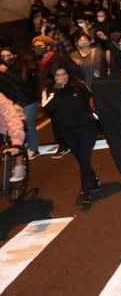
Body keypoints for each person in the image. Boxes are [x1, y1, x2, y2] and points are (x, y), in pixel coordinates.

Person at [41, 67, 101, 205]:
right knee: (81, 159)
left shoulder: (78, 85)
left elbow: (92, 100)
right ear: (53, 77)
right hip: (67, 131)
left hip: (87, 127)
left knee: (85, 158)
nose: (62, 77)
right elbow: (47, 108)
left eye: (64, 74)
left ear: (68, 74)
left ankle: (86, 192)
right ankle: (93, 180)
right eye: (58, 75)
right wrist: (56, 90)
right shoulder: (48, 91)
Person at [0, 48, 39, 159]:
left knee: (29, 125)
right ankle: (22, 148)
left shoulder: (22, 65)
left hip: (27, 101)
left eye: (8, 55)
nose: (6, 58)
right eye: (3, 56)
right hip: (14, 102)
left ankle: (34, 148)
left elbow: (23, 81)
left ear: (14, 55)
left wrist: (6, 71)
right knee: (18, 126)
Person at [0, 91, 26, 182]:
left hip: (11, 122)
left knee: (15, 142)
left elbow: (12, 118)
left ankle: (20, 165)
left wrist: (17, 143)